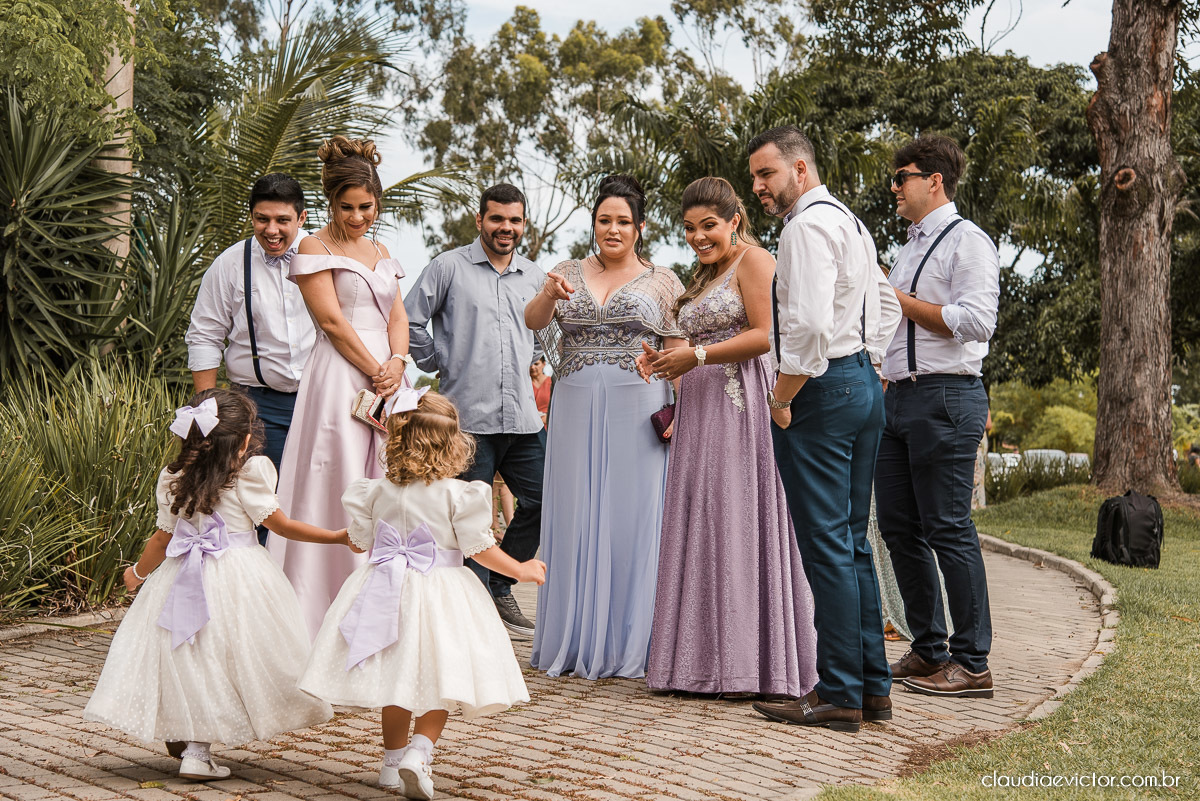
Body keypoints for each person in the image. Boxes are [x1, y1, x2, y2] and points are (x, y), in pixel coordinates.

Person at [83, 389, 354, 781]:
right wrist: (337, 537)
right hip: (240, 578)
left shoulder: (172, 477)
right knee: (232, 656)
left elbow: (162, 538)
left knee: (189, 657)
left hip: (180, 576)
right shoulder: (250, 472)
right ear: (245, 439)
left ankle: (189, 738)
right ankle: (196, 750)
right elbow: (281, 527)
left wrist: (138, 574)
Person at [298, 390, 545, 799]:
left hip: (386, 591)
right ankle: (420, 750)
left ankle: (390, 765)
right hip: (442, 596)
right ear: (454, 444)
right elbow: (479, 548)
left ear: (396, 439)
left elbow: (359, 543)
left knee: (397, 679)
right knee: (439, 678)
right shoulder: (460, 494)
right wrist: (520, 568)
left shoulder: (375, 491)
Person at [745, 126, 903, 733]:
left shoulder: (805, 226)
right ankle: (870, 689)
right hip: (859, 384)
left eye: (767, 174)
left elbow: (806, 328)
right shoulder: (851, 221)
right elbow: (886, 305)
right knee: (854, 544)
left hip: (818, 390)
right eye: (755, 176)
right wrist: (871, 364)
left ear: (800, 168)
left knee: (828, 547)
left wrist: (783, 398)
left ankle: (838, 692)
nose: (759, 186)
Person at [638, 177, 818, 697]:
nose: (698, 237)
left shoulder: (756, 261)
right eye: (690, 228)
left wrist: (694, 354)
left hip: (742, 405)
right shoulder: (702, 275)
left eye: (709, 226)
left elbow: (766, 334)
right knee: (704, 519)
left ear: (735, 220)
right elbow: (693, 341)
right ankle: (700, 662)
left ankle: (753, 664)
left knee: (740, 517)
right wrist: (663, 358)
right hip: (699, 409)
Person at [524, 174, 686, 680]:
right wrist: (549, 295)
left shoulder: (664, 281)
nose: (611, 230)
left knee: (633, 514)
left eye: (622, 222)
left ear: (640, 227)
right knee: (573, 509)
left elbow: (679, 347)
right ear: (593, 223)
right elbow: (533, 321)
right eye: (603, 220)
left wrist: (678, 403)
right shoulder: (565, 271)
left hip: (638, 402)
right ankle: (571, 639)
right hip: (573, 400)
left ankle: (632, 643)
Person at [268, 136, 410, 639]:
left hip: (388, 380)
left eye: (366, 207)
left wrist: (396, 362)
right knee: (341, 477)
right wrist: (375, 369)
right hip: (341, 377)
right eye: (347, 207)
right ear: (330, 203)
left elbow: (398, 313)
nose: (357, 217)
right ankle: (323, 615)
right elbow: (330, 320)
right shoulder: (312, 247)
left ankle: (383, 611)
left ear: (377, 202)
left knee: (393, 479)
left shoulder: (383, 249)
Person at [875, 134, 1000, 699]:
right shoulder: (908, 246)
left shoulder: (967, 241)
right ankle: (929, 649)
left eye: (902, 177)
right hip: (896, 399)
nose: (894, 188)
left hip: (946, 396)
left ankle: (973, 664)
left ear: (934, 181)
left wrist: (894, 298)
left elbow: (978, 321)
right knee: (900, 528)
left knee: (949, 527)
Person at [404, 184, 545, 637]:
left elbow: (545, 328)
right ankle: (473, 614)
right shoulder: (448, 267)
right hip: (466, 421)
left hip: (523, 419)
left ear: (524, 224)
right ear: (480, 220)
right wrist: (436, 359)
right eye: (497, 219)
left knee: (544, 499)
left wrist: (538, 356)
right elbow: (408, 319)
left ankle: (499, 587)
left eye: (515, 220)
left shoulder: (534, 276)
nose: (506, 228)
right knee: (468, 515)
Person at [185, 174, 316, 543]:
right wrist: (208, 409)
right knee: (257, 506)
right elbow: (205, 335)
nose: (271, 230)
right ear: (252, 217)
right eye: (262, 219)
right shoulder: (230, 264)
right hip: (258, 406)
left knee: (317, 500)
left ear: (301, 218)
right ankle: (259, 592)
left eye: (282, 220)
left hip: (320, 401)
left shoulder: (323, 256)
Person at [530, 356, 552, 427]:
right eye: (530, 365)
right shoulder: (524, 385)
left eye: (536, 364)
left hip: (549, 425)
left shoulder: (552, 382)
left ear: (544, 364)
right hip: (531, 427)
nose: (532, 367)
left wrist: (548, 418)